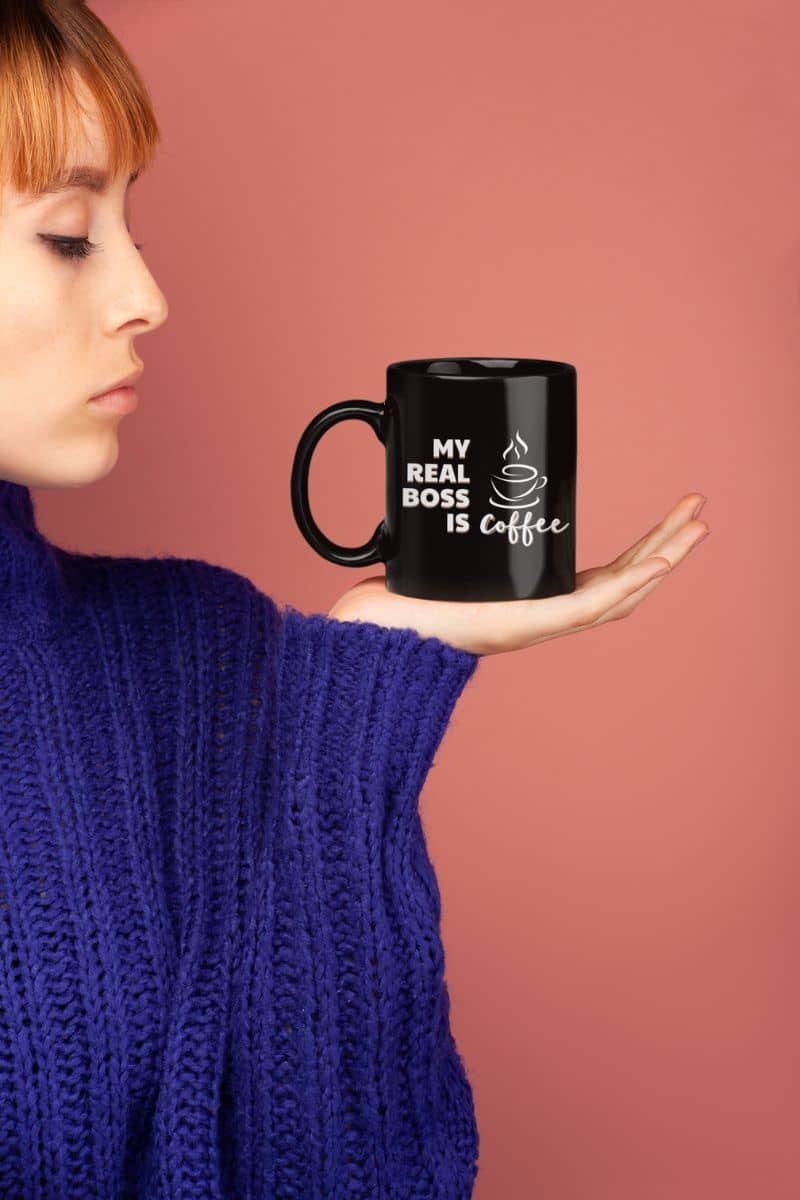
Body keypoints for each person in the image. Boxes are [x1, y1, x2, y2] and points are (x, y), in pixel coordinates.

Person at [0, 3, 710, 1197]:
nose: (147, 295)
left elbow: (341, 1166)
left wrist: (361, 692)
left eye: (131, 223)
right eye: (71, 235)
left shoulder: (203, 660)